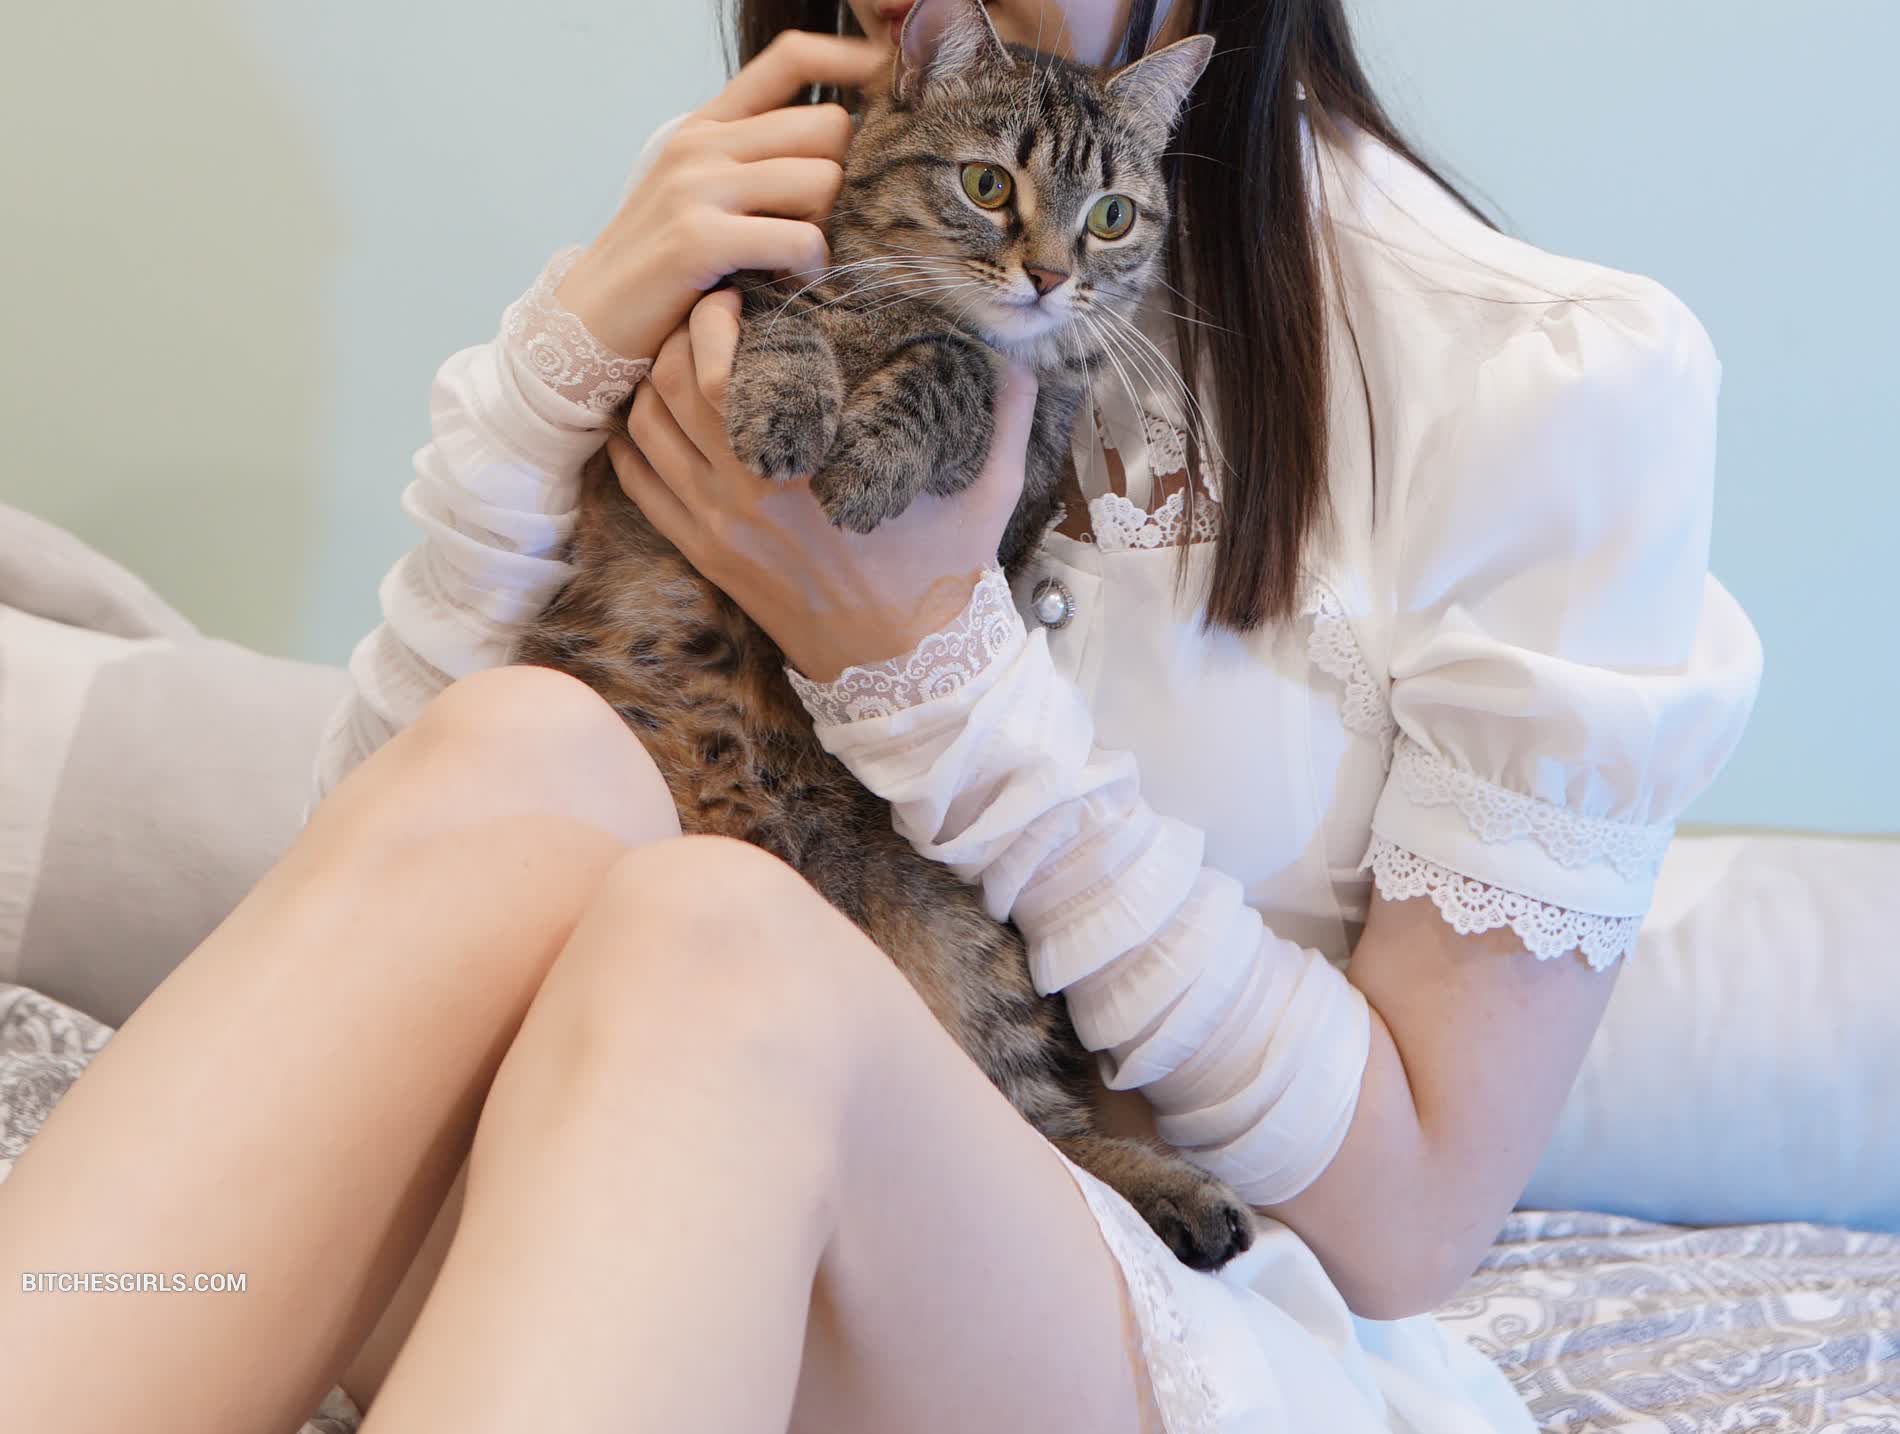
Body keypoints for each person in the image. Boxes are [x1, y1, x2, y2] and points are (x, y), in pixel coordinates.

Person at [0, 0, 1762, 1430]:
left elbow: (1416, 1218)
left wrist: (925, 671)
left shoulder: (1553, 374)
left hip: (1084, 1308)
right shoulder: (812, 191)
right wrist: (548, 388)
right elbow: (387, 966)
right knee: (522, 746)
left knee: (713, 938)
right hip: (620, 1205)